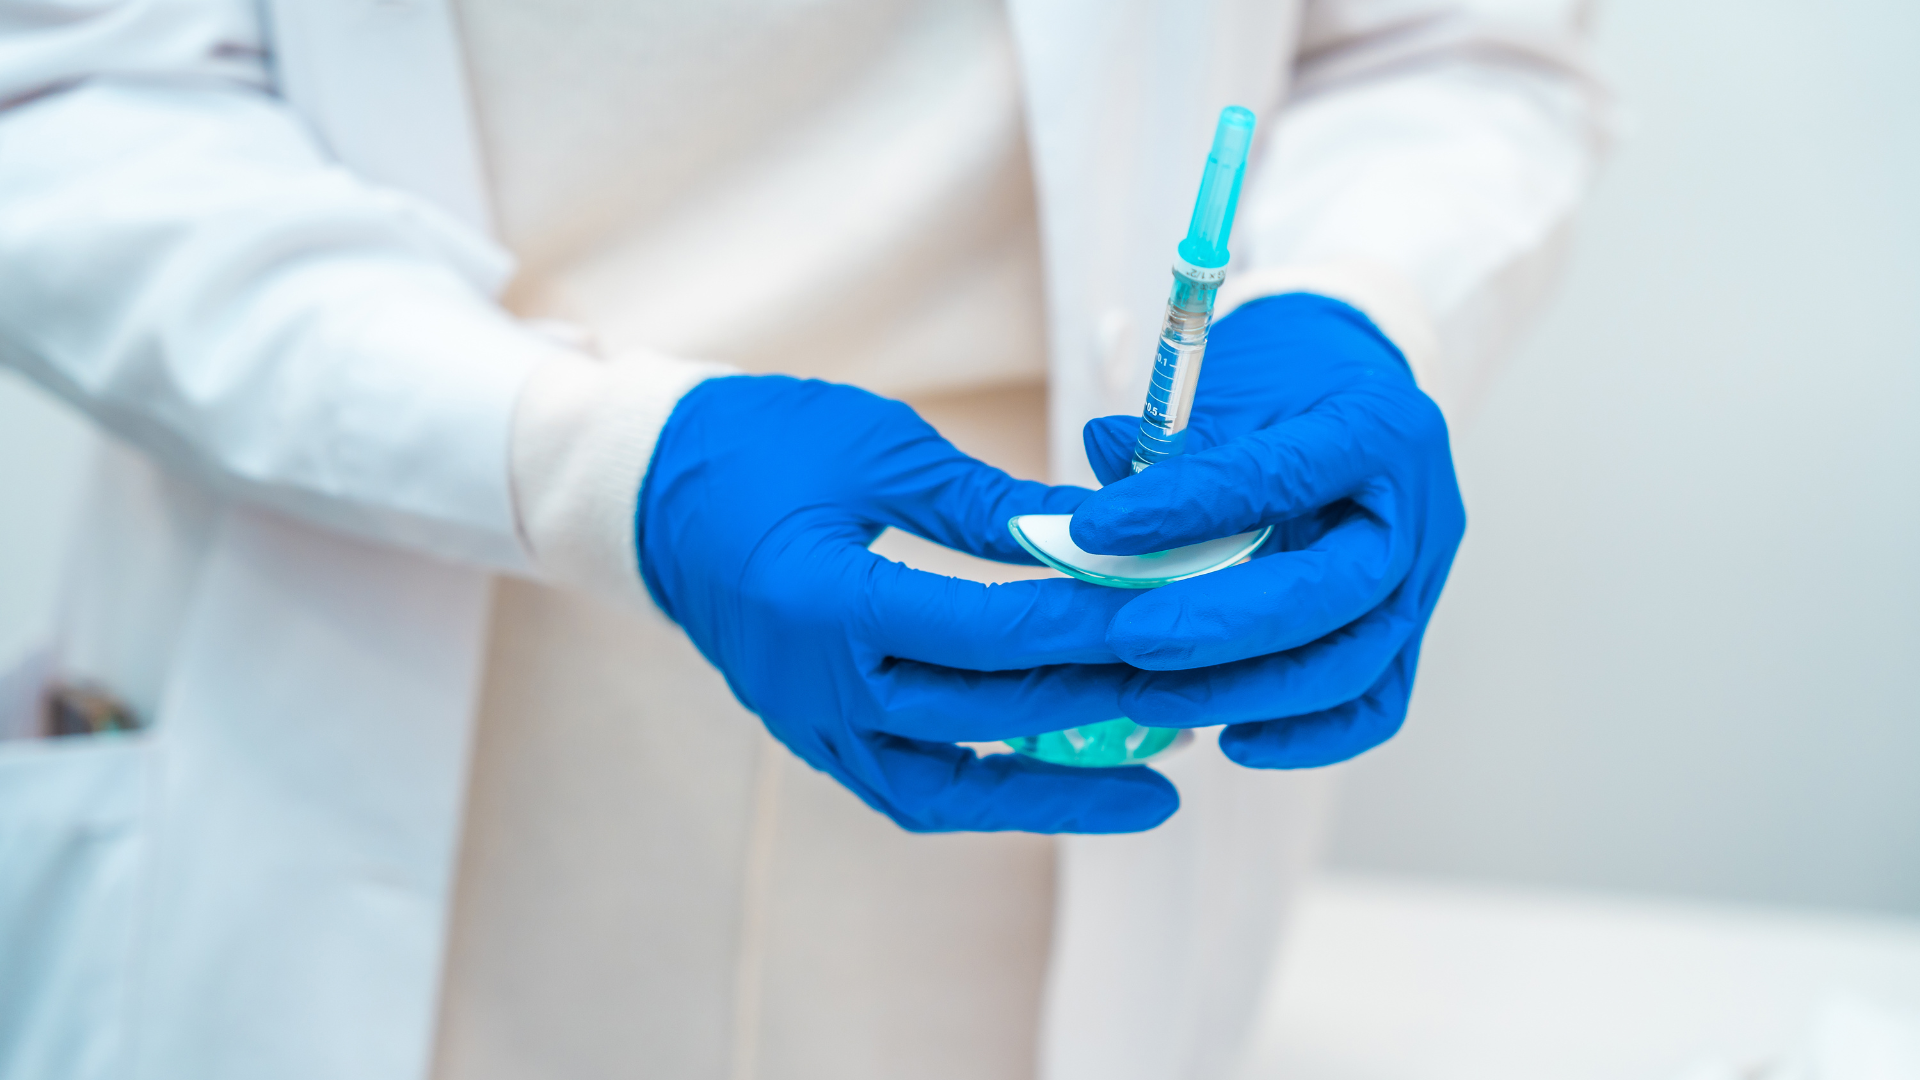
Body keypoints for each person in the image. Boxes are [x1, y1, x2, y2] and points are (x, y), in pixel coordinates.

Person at [0, 1, 1604, 1077]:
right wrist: (588, 457)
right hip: (388, 691)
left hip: (1043, 778)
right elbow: (69, 94)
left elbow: (1449, 47)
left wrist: (1357, 295)